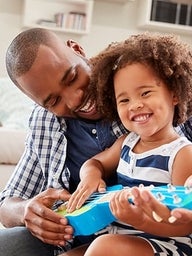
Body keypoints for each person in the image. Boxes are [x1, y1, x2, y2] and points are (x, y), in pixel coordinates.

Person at [0, 28, 127, 256]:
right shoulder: (46, 121)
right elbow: (6, 205)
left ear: (77, 50)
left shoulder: (137, 92)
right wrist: (26, 211)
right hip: (68, 241)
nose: (75, 99)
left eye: (71, 77)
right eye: (54, 100)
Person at [63, 32, 192, 256]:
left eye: (145, 93)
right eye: (124, 100)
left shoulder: (182, 154)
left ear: (174, 94)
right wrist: (91, 175)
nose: (135, 105)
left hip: (167, 243)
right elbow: (94, 163)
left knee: (103, 247)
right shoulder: (127, 142)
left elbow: (184, 224)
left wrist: (141, 221)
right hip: (122, 236)